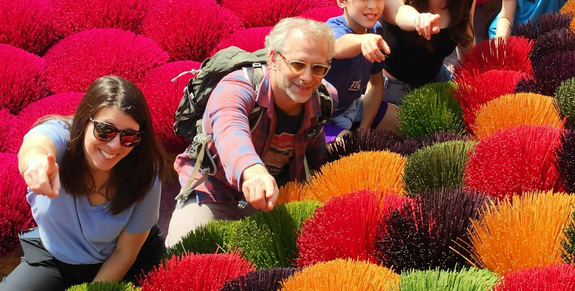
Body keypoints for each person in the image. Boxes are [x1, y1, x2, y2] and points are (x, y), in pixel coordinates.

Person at [166, 17, 338, 247]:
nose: (307, 77)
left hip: (273, 199)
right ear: (274, 58)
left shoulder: (324, 97)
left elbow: (315, 151)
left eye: (318, 68)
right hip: (213, 193)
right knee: (183, 252)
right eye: (297, 64)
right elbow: (229, 127)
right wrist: (252, 171)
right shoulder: (236, 86)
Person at [2, 76, 165, 291]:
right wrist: (36, 163)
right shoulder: (63, 137)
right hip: (55, 259)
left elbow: (125, 253)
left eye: (129, 137)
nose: (114, 145)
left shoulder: (145, 174)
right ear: (84, 120)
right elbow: (37, 144)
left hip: (125, 262)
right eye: (105, 130)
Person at [324, 0, 399, 137]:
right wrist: (363, 40)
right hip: (319, 117)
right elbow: (338, 46)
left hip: (352, 107)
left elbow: (376, 84)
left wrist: (365, 128)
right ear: (342, 0)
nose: (373, 6)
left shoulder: (375, 31)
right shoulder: (333, 28)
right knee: (345, 143)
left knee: (406, 121)